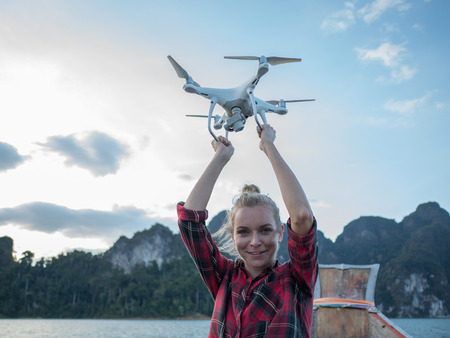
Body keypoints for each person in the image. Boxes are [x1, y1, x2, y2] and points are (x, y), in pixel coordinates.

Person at [177, 124, 318, 337]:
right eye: (243, 232)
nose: (255, 241)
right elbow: (189, 221)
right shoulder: (223, 277)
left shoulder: (297, 279)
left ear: (281, 233)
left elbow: (301, 216)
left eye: (265, 230)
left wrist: (268, 146)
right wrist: (221, 156)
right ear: (233, 236)